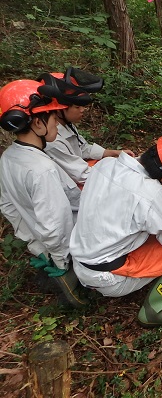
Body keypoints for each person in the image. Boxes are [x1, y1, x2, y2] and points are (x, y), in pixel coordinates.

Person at [69, 125, 162, 326]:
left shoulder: (105, 165)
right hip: (108, 275)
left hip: (80, 259)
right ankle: (159, 308)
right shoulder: (151, 194)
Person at [0, 79, 86, 308]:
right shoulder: (41, 170)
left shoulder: (8, 158)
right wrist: (62, 262)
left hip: (48, 244)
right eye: (52, 118)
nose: (57, 125)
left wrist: (37, 246)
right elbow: (56, 223)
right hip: (72, 247)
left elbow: (8, 207)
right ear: (38, 123)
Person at [38, 67, 135, 186]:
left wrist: (112, 153)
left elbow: (82, 148)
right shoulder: (53, 141)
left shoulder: (67, 126)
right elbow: (82, 175)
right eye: (77, 107)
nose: (83, 110)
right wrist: (122, 171)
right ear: (58, 110)